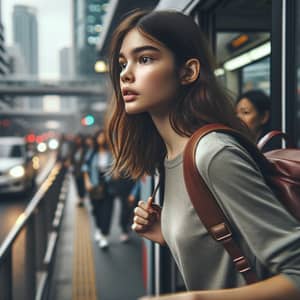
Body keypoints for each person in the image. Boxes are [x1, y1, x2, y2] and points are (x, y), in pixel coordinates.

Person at [106, 9, 300, 299]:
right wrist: (169, 233)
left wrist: (196, 298)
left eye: (145, 59)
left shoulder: (213, 153)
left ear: (188, 72)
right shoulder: (170, 154)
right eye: (123, 63)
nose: (126, 75)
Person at [83, 129, 114, 249]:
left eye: (103, 136)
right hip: (94, 186)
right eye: (99, 136)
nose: (102, 138)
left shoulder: (111, 153)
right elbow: (85, 168)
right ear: (96, 139)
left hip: (108, 187)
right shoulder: (91, 153)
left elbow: (116, 166)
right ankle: (99, 228)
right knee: (96, 210)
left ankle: (104, 235)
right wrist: (87, 182)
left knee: (107, 212)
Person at [70, 134, 86, 206]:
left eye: (79, 139)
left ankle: (82, 198)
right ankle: (79, 197)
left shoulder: (85, 149)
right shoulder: (74, 149)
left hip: (82, 171)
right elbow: (72, 159)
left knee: (82, 185)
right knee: (77, 184)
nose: (78, 141)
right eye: (77, 139)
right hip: (76, 170)